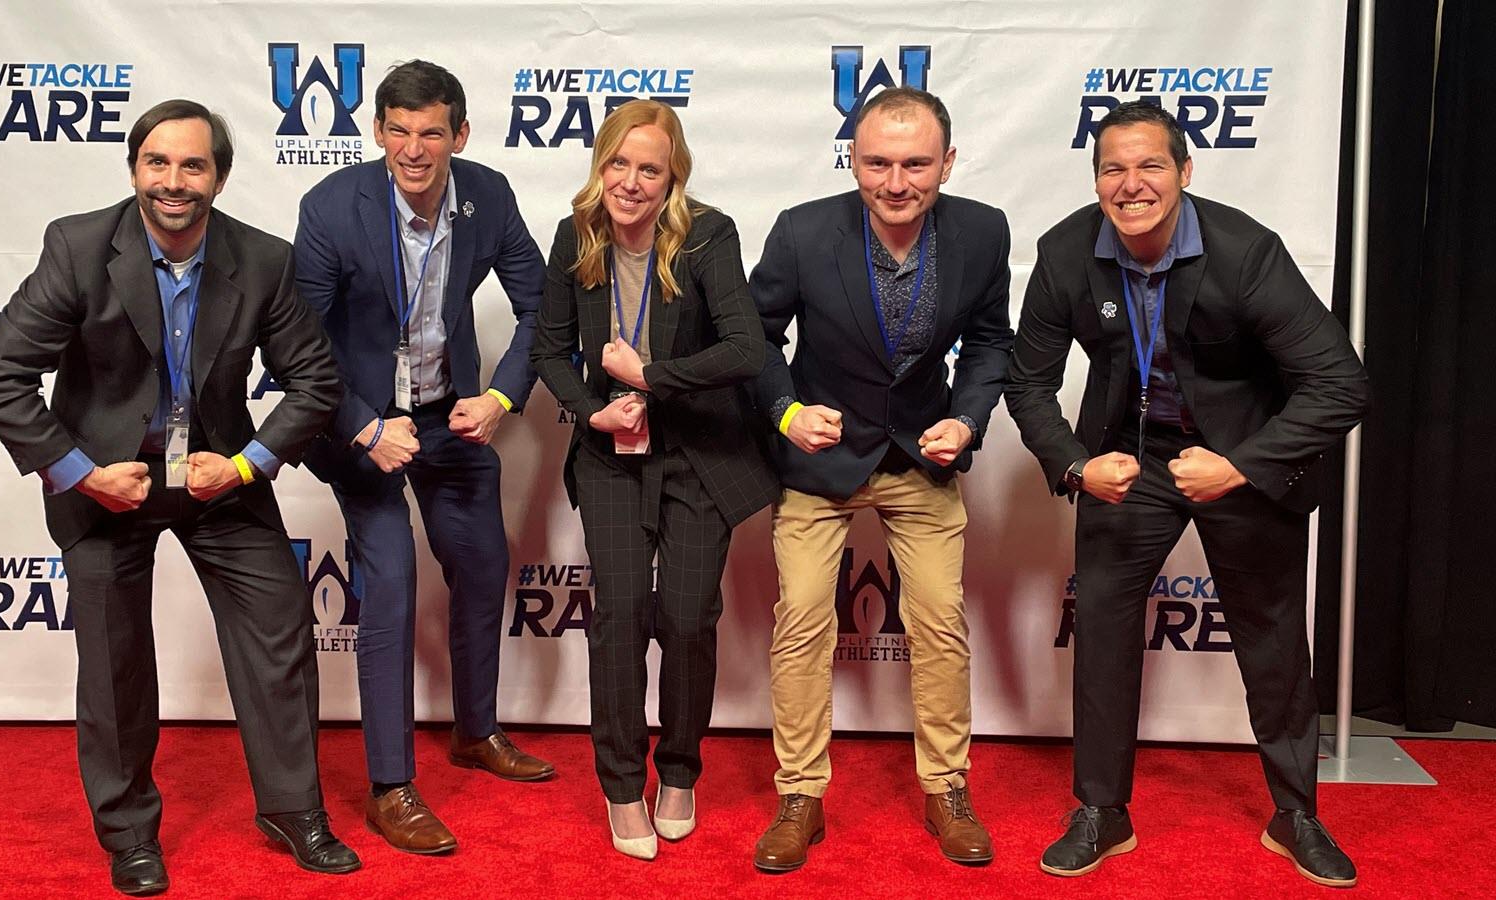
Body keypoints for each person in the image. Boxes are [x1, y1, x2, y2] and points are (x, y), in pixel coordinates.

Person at [0, 99, 357, 895]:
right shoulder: (78, 248)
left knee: (279, 627)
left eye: (192, 165)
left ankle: (292, 809)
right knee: (114, 662)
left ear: (219, 176)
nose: (173, 182)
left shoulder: (262, 259)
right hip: (108, 481)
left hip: (218, 479)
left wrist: (246, 465)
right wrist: (81, 472)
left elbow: (316, 380)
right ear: (134, 169)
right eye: (157, 163)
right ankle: (130, 835)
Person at [1004, 101, 1368, 888]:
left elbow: (1340, 383)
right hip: (1128, 466)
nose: (1130, 184)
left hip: (1239, 458)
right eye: (1112, 168)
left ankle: (1295, 813)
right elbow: (1027, 381)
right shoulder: (1067, 253)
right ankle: (1103, 811)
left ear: (1185, 172)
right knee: (1099, 630)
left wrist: (1241, 465)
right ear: (1095, 177)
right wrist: (1075, 463)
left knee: (1272, 642)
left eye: (1150, 166)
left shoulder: (1244, 254)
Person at [745, 86, 1013, 871]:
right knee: (801, 620)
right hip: (821, 461)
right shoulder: (801, 231)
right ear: (852, 160)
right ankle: (800, 794)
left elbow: (993, 341)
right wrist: (786, 410)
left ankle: (947, 787)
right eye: (878, 164)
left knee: (938, 619)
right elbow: (754, 339)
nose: (896, 182)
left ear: (948, 162)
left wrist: (967, 420)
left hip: (922, 459)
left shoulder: (983, 231)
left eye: (916, 164)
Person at [292, 60, 552, 855]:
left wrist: (503, 397)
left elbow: (541, 304)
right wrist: (367, 427)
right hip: (361, 429)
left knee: (481, 566)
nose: (414, 148)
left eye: (431, 132)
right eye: (398, 131)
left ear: (459, 135)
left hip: (452, 419)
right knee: (395, 586)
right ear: (377, 133)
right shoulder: (333, 207)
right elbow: (297, 345)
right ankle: (390, 786)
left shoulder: (489, 194)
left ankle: (476, 732)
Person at [531, 99, 777, 861]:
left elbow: (747, 348)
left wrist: (652, 376)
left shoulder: (706, 233)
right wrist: (590, 412)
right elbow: (547, 350)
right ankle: (619, 784)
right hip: (610, 454)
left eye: (650, 168)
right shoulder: (576, 234)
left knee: (687, 616)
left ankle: (679, 770)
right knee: (620, 615)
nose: (631, 182)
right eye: (619, 163)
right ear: (599, 162)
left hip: (699, 450)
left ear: (673, 176)